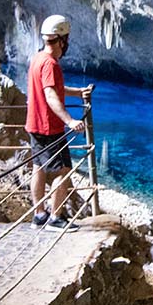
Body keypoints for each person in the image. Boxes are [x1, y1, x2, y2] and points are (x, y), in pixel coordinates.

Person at [26, 14, 94, 231]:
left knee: (38, 167)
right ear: (62, 40)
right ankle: (55, 217)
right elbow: (50, 95)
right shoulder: (50, 64)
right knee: (63, 170)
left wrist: (77, 93)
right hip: (49, 127)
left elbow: (53, 88)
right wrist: (70, 120)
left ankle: (39, 216)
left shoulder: (37, 58)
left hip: (34, 125)